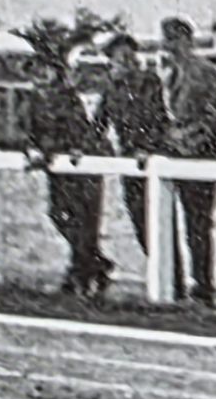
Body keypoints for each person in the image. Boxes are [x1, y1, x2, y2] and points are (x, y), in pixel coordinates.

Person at [94, 31, 183, 295]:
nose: (126, 60)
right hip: (128, 161)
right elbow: (99, 124)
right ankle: (160, 276)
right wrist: (99, 148)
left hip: (153, 157)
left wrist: (150, 148)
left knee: (163, 223)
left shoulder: (149, 82)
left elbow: (158, 119)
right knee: (141, 224)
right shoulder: (110, 88)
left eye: (129, 55)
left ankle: (175, 284)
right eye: (119, 56)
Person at [23, 50, 113, 299]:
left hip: (79, 165)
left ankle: (80, 274)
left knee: (84, 219)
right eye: (34, 71)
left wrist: (49, 150)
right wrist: (31, 148)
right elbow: (29, 130)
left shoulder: (67, 98)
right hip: (56, 167)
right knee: (59, 214)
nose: (40, 75)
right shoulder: (34, 100)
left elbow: (74, 131)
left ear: (56, 72)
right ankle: (95, 263)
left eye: (44, 69)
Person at [161, 17, 216, 308]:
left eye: (175, 39)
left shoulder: (203, 71)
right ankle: (174, 284)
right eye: (167, 39)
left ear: (188, 40)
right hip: (173, 154)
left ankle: (203, 287)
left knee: (198, 224)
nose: (170, 45)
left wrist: (191, 140)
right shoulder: (167, 73)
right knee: (168, 222)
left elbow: (214, 115)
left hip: (199, 154)